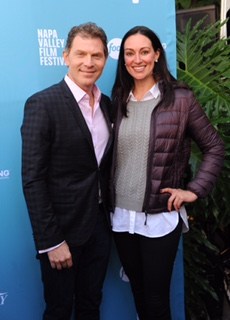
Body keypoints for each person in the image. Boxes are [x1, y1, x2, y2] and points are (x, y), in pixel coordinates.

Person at [110, 25, 225, 320]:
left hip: (159, 217)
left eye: (144, 51)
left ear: (157, 54)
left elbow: (214, 147)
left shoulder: (180, 99)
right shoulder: (117, 99)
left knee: (157, 299)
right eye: (130, 53)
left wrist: (194, 189)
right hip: (122, 217)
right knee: (137, 289)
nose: (137, 59)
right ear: (123, 59)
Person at [21, 22, 113, 320]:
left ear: (105, 58)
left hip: (100, 228)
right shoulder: (42, 104)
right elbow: (33, 178)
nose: (89, 62)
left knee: (91, 306)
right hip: (62, 234)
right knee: (59, 310)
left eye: (96, 55)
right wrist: (51, 241)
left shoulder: (107, 105)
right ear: (65, 57)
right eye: (81, 54)